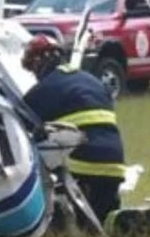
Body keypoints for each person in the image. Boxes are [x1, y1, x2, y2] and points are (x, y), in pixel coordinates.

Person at [20, 35, 125, 223]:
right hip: (116, 164)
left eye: (31, 68)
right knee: (108, 221)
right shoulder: (92, 80)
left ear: (38, 62)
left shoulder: (41, 91)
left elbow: (20, 129)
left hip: (84, 168)